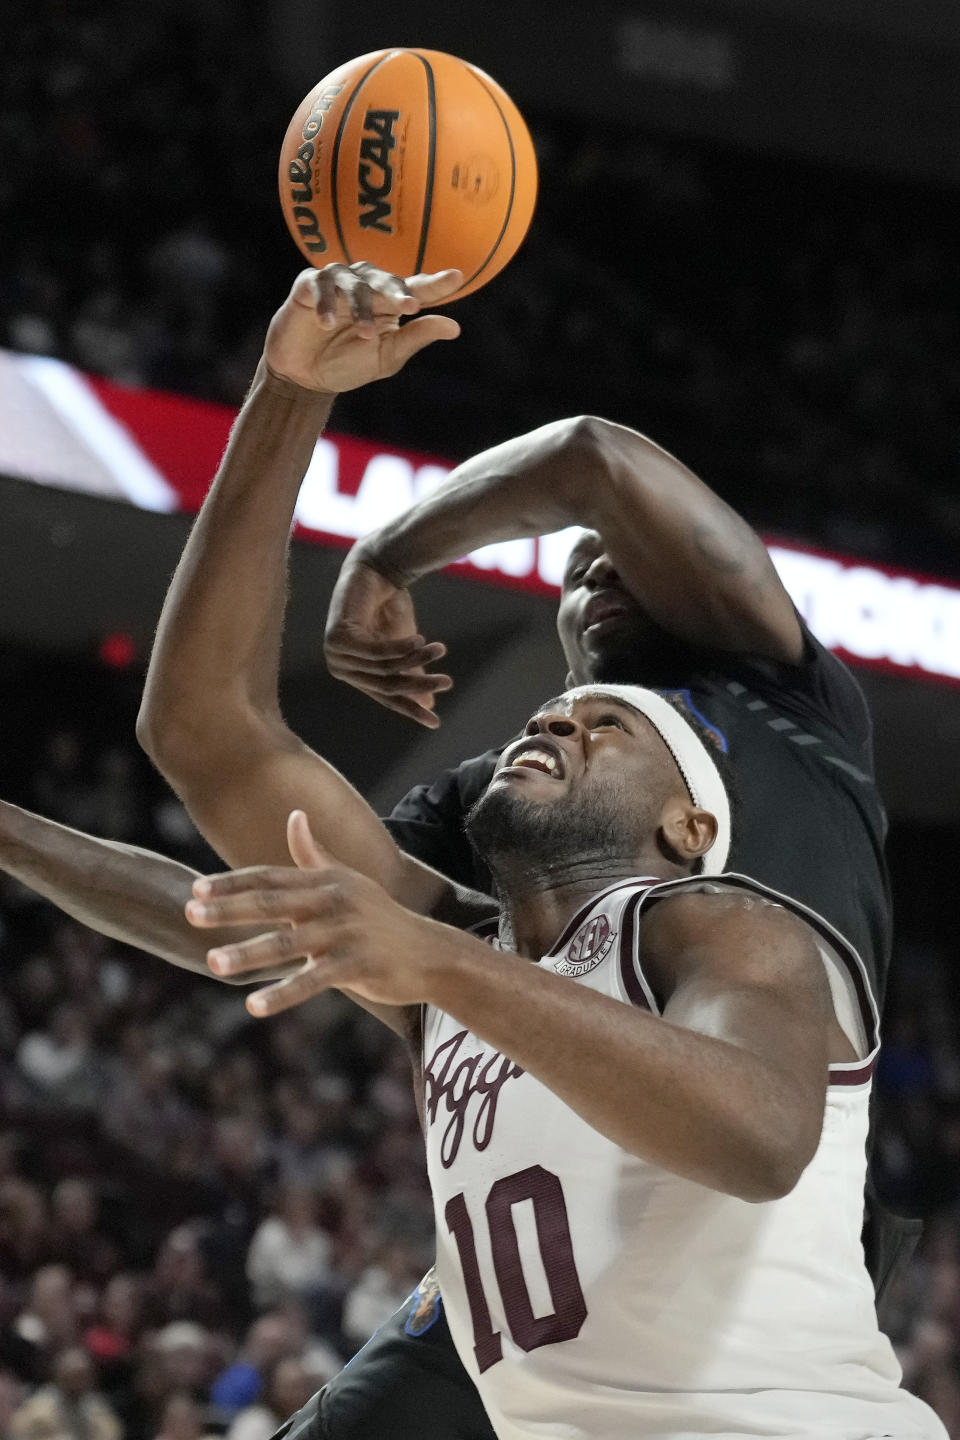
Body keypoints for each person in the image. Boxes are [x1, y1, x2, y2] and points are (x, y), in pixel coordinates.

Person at [129, 260, 907, 1434]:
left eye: (624, 555)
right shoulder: (504, 825)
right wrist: (286, 389)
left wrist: (387, 553)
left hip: (760, 1191)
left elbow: (593, 460)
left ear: (687, 825)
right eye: (574, 561)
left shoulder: (772, 694)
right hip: (548, 1265)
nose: (596, 559)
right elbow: (233, 810)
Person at [181, 684, 946, 1439]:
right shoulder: (459, 975)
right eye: (546, 713)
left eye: (607, 725)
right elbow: (207, 747)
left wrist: (442, 961)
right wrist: (53, 850)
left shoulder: (720, 925)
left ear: (687, 825)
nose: (551, 719)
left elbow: (763, 1143)